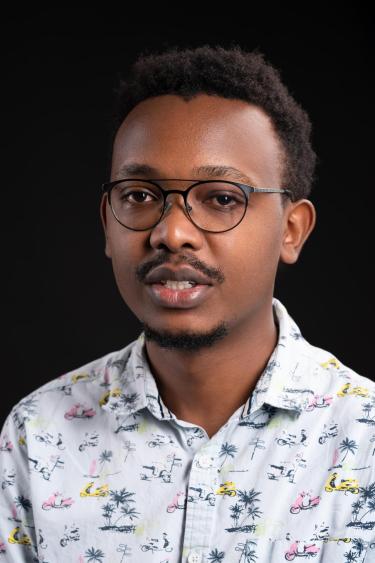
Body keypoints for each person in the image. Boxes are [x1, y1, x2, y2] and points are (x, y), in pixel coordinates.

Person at [0, 43, 374, 563]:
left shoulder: (365, 438)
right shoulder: (36, 436)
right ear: (107, 222)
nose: (172, 233)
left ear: (292, 231)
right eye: (139, 195)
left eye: (222, 198)